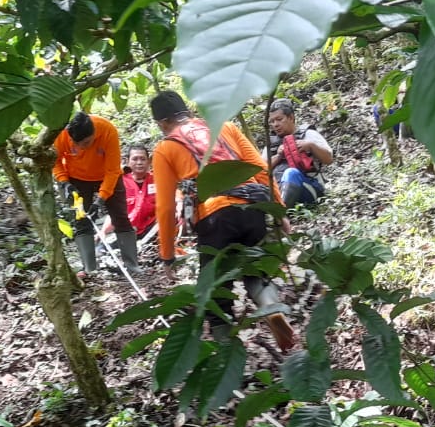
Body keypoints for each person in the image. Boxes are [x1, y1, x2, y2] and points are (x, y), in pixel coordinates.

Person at [150, 91, 297, 352]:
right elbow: (261, 169)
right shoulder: (226, 127)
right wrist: (279, 210)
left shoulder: (165, 148)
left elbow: (164, 206)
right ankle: (271, 308)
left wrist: (167, 255)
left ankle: (226, 353)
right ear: (189, 111)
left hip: (214, 216)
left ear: (162, 123)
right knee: (256, 270)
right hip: (252, 208)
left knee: (216, 291)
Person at [52, 111, 140, 277]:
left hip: (107, 176)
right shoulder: (61, 135)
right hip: (76, 178)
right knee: (81, 220)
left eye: (87, 142)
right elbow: (55, 161)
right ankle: (90, 268)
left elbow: (113, 170)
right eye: (78, 144)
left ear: (94, 134)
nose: (82, 148)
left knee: (120, 217)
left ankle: (132, 265)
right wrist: (64, 182)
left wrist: (101, 199)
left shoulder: (107, 130)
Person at [266, 98, 332, 208]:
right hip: (278, 188)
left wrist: (311, 146)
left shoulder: (308, 134)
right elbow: (261, 168)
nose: (275, 124)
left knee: (291, 173)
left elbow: (329, 159)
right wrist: (278, 156)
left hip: (309, 187)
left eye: (279, 119)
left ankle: (281, 214)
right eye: (272, 122)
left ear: (291, 117)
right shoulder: (271, 143)